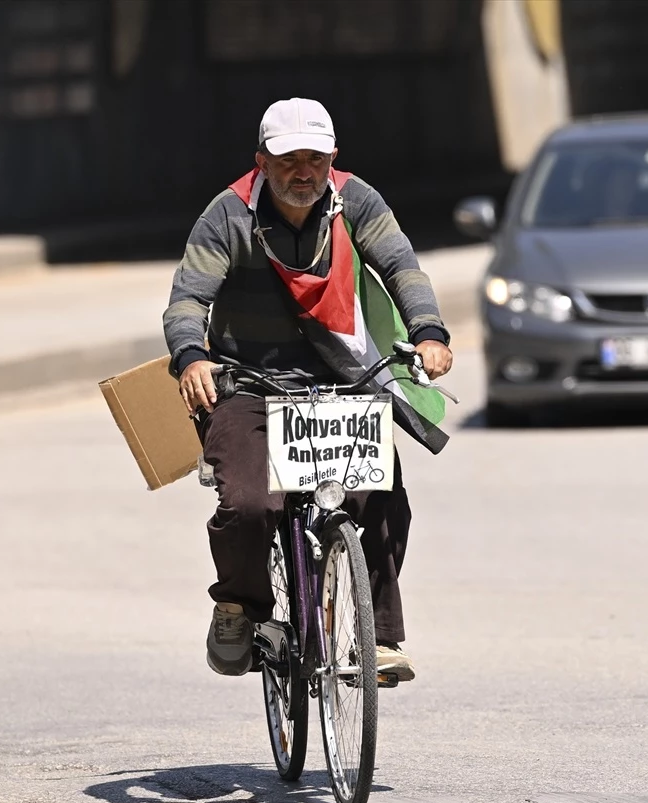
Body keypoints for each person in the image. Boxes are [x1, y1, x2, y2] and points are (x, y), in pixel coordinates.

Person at [163, 97, 453, 682]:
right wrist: (192, 357)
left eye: (315, 159)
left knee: (384, 498)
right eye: (288, 159)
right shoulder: (227, 215)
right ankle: (240, 605)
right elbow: (188, 301)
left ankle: (383, 641)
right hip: (248, 384)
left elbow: (402, 267)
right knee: (248, 506)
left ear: (332, 160)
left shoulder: (357, 202)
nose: (303, 172)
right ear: (261, 163)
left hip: (341, 383)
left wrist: (429, 333)